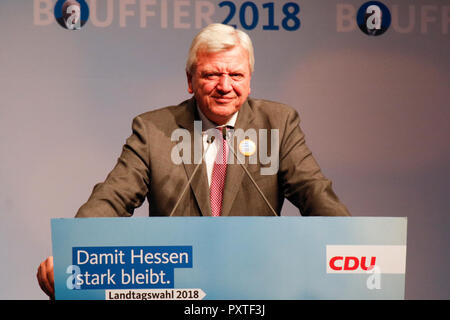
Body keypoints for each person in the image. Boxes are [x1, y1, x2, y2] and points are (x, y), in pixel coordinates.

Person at [37, 23, 350, 299]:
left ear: (250, 79)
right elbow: (112, 197)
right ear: (190, 79)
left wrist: (352, 246)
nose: (225, 86)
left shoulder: (278, 124)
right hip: (176, 287)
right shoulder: (154, 130)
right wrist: (72, 252)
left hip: (255, 287)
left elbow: (314, 191)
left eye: (236, 74)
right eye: (212, 74)